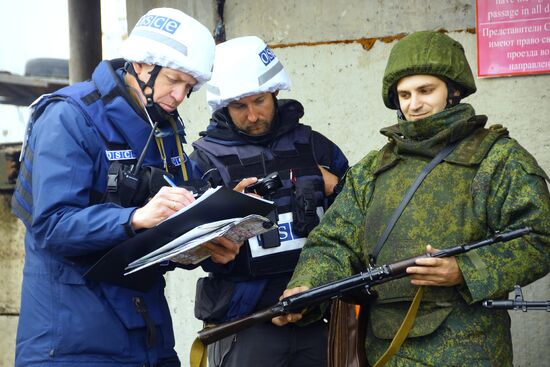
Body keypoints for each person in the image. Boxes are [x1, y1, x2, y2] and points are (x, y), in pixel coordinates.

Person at [275, 30, 550, 366]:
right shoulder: (375, 168)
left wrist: (464, 269)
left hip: (470, 348)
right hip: (385, 350)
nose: (414, 104)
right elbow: (334, 242)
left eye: (425, 90)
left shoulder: (498, 159)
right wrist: (307, 287)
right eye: (404, 94)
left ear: (454, 91)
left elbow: (539, 238)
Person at [11, 8, 242, 367]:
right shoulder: (69, 117)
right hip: (73, 344)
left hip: (147, 336)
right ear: (141, 64)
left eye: (189, 87)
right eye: (174, 80)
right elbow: (51, 226)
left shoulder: (163, 128)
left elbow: (165, 228)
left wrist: (208, 240)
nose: (180, 96)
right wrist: (134, 217)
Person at [189, 36, 349, 367]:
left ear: (275, 91)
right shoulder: (203, 162)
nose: (252, 115)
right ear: (222, 106)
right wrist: (226, 211)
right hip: (245, 323)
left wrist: (337, 187)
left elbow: (359, 221)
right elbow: (186, 249)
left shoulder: (316, 147)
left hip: (316, 315)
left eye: (259, 101)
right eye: (238, 106)